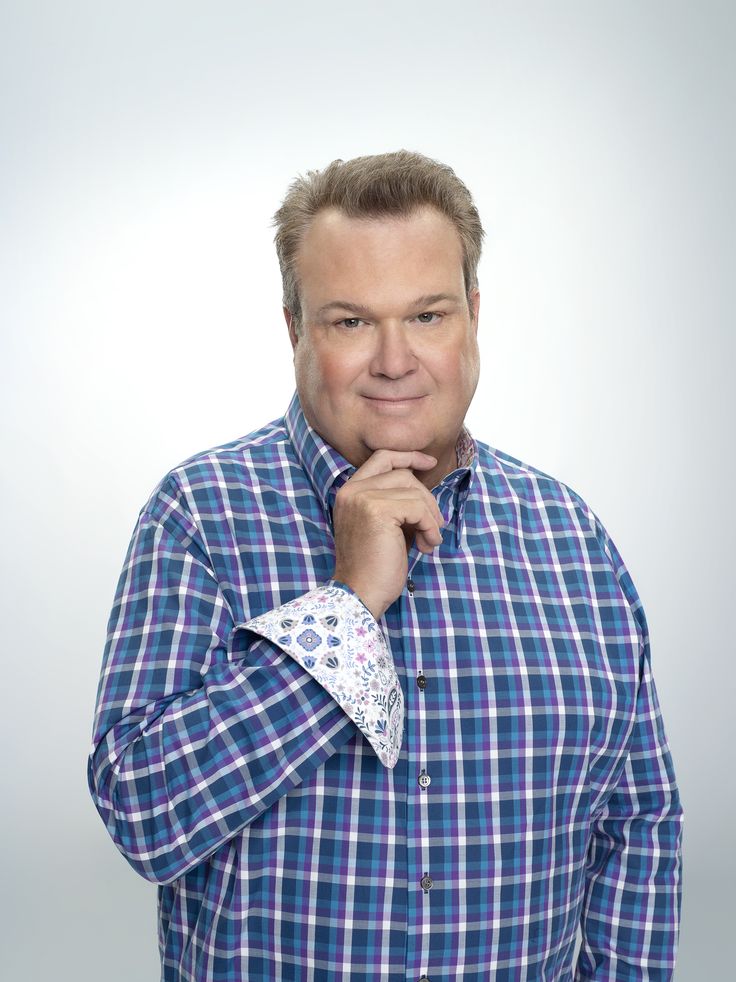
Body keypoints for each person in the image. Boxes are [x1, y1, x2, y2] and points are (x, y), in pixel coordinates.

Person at [88, 150, 683, 981]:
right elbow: (143, 814)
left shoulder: (572, 537)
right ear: (296, 329)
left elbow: (639, 826)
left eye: (429, 316)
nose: (396, 360)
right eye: (352, 321)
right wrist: (347, 609)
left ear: (475, 315)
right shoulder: (199, 515)